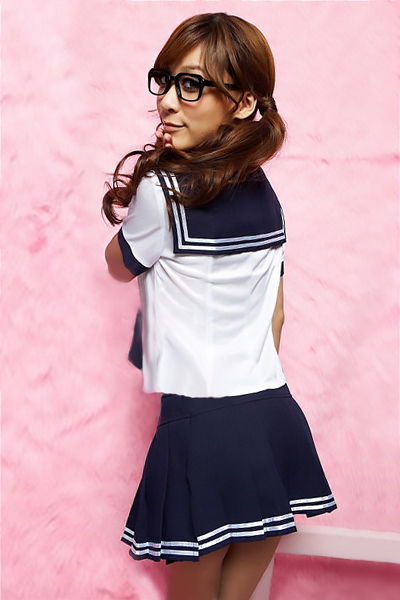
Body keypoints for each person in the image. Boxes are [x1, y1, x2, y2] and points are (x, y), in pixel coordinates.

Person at [103, 13, 337, 600]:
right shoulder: (267, 195)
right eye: (165, 80)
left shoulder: (162, 194)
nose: (167, 102)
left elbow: (117, 264)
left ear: (243, 102)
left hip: (200, 424)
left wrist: (144, 189)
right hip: (273, 416)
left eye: (192, 85)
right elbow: (276, 317)